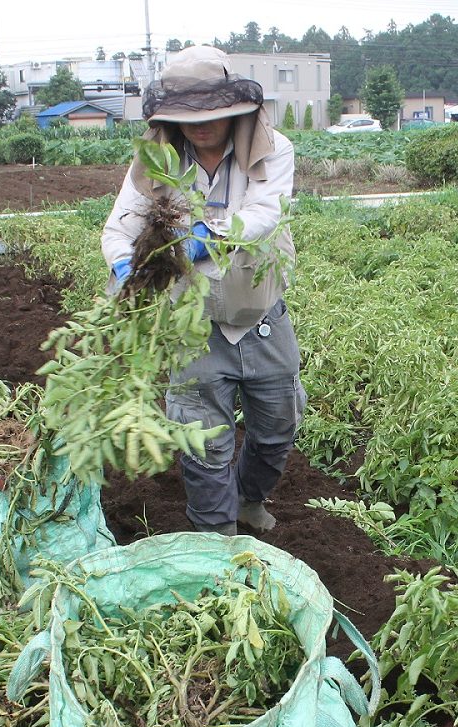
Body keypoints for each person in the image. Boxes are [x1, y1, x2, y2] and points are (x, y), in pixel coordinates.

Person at [102, 45, 303, 536]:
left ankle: (249, 499)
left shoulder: (273, 150)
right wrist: (126, 264)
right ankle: (216, 534)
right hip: (192, 324)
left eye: (210, 113)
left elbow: (264, 214)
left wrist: (206, 236)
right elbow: (118, 228)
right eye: (186, 116)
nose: (200, 125)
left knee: (277, 426)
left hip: (259, 315)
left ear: (234, 108)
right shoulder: (157, 162)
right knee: (201, 437)